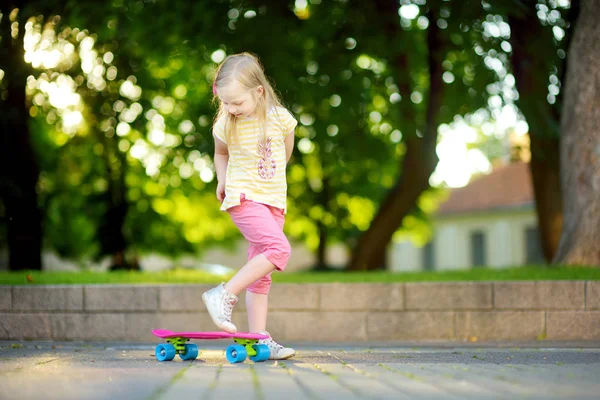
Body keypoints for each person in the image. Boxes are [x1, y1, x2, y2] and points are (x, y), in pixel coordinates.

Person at [202, 53, 297, 360]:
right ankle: (224, 293)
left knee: (263, 273)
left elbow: (285, 153)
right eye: (226, 102)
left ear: (258, 91)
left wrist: (269, 176)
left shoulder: (281, 118)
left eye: (237, 103)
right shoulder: (226, 124)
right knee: (280, 250)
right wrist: (221, 179)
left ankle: (258, 339)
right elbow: (220, 154)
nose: (231, 109)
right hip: (242, 198)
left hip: (273, 202)